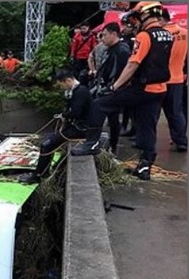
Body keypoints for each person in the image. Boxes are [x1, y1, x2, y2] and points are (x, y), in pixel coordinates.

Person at [72, 2, 174, 181]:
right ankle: (144, 166)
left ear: (145, 15)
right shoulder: (167, 34)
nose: (134, 23)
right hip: (160, 89)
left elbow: (133, 64)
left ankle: (92, 143)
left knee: (99, 104)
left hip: (142, 88)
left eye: (136, 19)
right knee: (147, 127)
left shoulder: (145, 36)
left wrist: (115, 86)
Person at [18, 69, 93, 184]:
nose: (61, 87)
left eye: (61, 84)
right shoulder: (76, 91)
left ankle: (38, 175)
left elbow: (76, 112)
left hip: (79, 129)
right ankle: (43, 171)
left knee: (46, 145)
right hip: (76, 126)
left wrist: (64, 115)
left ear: (68, 80)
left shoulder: (80, 92)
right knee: (49, 140)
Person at [91, 22, 132, 154]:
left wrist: (113, 87)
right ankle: (108, 146)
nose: (102, 38)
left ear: (114, 34)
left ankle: (110, 146)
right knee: (111, 119)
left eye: (104, 35)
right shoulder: (110, 49)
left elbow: (123, 72)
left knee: (106, 116)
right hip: (107, 87)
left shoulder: (122, 51)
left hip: (114, 89)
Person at [159, 8, 188, 152]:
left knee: (154, 111)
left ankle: (146, 141)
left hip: (160, 79)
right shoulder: (185, 32)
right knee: (176, 112)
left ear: (161, 19)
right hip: (178, 78)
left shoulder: (160, 35)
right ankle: (181, 140)